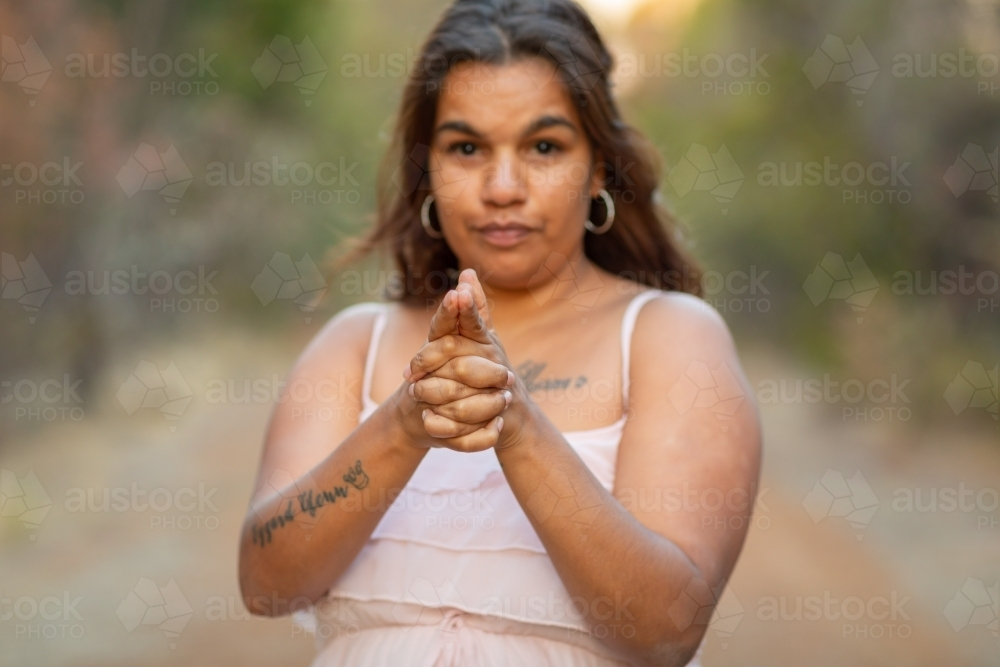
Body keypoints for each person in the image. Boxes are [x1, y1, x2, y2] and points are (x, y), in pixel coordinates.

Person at [238, 0, 762, 665]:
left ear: (599, 165)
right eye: (466, 147)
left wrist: (513, 422)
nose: (502, 186)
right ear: (428, 167)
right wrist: (405, 422)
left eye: (544, 146)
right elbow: (266, 583)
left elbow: (667, 626)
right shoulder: (354, 345)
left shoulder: (669, 337)